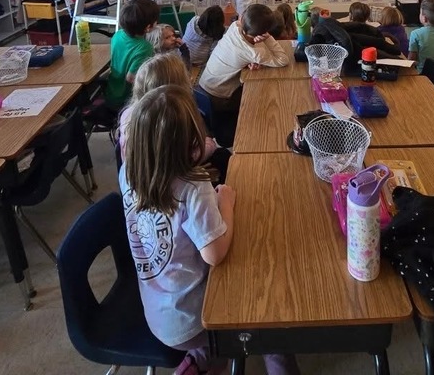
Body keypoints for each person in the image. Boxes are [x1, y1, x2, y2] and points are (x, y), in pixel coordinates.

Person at [119, 85, 300, 375]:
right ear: (190, 142)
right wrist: (225, 202)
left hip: (156, 309)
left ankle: (202, 360)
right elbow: (214, 254)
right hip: (193, 318)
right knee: (268, 320)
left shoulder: (128, 172)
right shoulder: (193, 186)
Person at [118, 52, 230, 184]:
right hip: (166, 180)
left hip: (140, 177)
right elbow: (181, 159)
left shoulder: (127, 113)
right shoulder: (173, 118)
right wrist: (210, 144)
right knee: (224, 159)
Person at [198, 3, 289, 146]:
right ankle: (256, 136)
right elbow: (283, 60)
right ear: (263, 33)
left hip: (203, 87)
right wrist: (268, 39)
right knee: (261, 98)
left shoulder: (235, 27)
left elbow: (239, 53)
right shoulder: (254, 52)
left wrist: (249, 58)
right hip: (220, 99)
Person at [105, 0, 161, 111]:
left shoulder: (118, 34)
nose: (157, 22)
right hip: (125, 99)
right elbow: (131, 79)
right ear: (148, 27)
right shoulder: (144, 47)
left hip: (111, 91)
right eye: (156, 20)